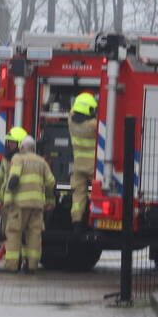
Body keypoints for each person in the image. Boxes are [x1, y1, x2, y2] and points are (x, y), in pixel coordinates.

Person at [3, 135, 56, 274]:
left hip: (20, 204)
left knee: (14, 233)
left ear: (22, 147)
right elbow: (51, 182)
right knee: (34, 235)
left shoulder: (18, 158)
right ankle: (32, 266)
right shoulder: (41, 162)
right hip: (37, 205)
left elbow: (13, 179)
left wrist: (7, 200)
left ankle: (12, 266)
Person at [0, 127, 28, 272]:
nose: (9, 146)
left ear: (20, 144)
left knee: (21, 234)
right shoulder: (6, 160)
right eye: (9, 143)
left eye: (13, 143)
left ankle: (18, 263)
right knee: (8, 234)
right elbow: (0, 179)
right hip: (7, 203)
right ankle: (16, 261)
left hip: (19, 203)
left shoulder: (24, 160)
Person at [68, 92, 98, 233]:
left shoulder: (71, 122)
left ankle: (77, 222)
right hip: (93, 167)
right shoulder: (93, 125)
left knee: (78, 195)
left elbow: (72, 112)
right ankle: (94, 220)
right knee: (96, 195)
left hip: (78, 166)